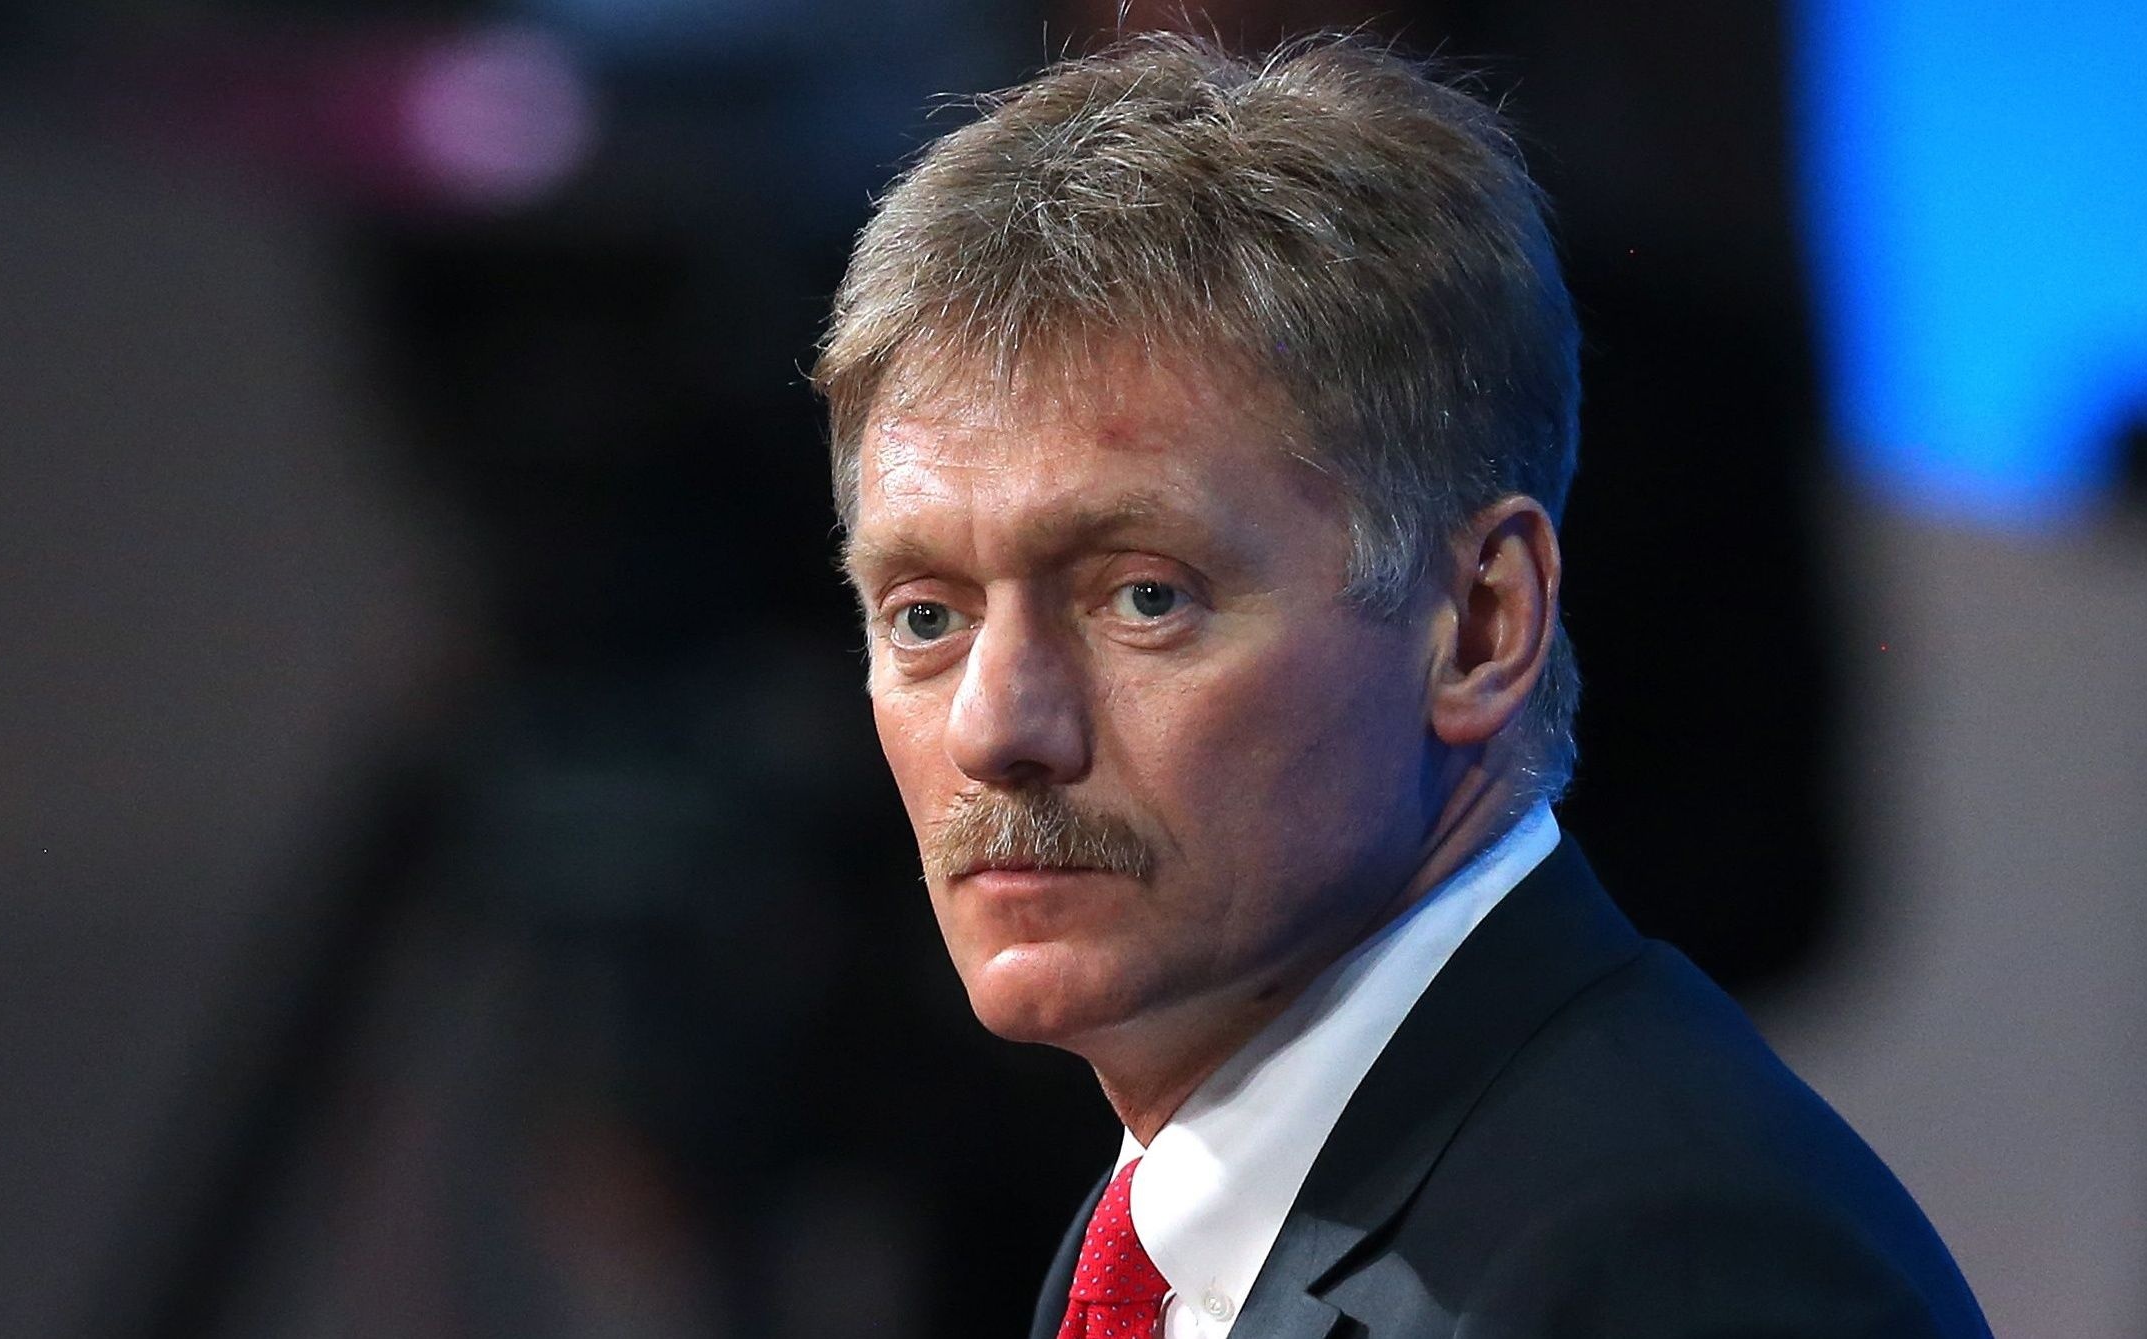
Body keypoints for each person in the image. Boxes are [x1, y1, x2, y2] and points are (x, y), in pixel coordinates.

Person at [812, 32, 1990, 1339]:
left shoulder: (1668, 1264)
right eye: (926, 617)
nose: (994, 726)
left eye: (1144, 596)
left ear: (1481, 626)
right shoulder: (1159, 1231)